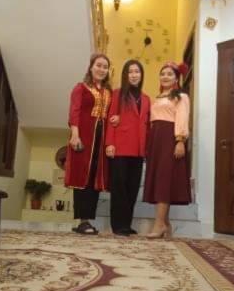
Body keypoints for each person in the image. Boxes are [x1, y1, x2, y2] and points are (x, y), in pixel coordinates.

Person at [143, 61, 192, 238]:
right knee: (160, 180)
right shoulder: (158, 98)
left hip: (170, 139)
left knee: (164, 180)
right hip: (156, 140)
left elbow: (182, 118)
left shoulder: (181, 97)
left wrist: (180, 140)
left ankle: (159, 224)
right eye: (162, 73)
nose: (165, 76)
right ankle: (166, 223)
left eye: (170, 74)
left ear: (176, 78)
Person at [65, 53, 112, 235]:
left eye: (105, 67)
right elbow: (74, 111)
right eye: (98, 65)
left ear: (108, 71)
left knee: (95, 179)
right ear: (91, 67)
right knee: (82, 178)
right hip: (83, 136)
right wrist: (75, 134)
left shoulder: (108, 92)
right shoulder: (81, 88)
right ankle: (82, 221)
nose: (101, 69)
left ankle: (87, 220)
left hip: (101, 140)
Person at [105, 60, 150, 236]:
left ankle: (127, 223)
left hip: (138, 150)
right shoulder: (117, 94)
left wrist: (146, 149)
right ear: (126, 75)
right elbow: (111, 118)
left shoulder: (146, 99)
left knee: (132, 188)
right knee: (119, 188)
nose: (134, 75)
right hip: (120, 147)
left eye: (137, 71)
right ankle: (118, 225)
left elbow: (147, 125)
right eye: (130, 72)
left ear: (141, 75)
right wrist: (109, 143)